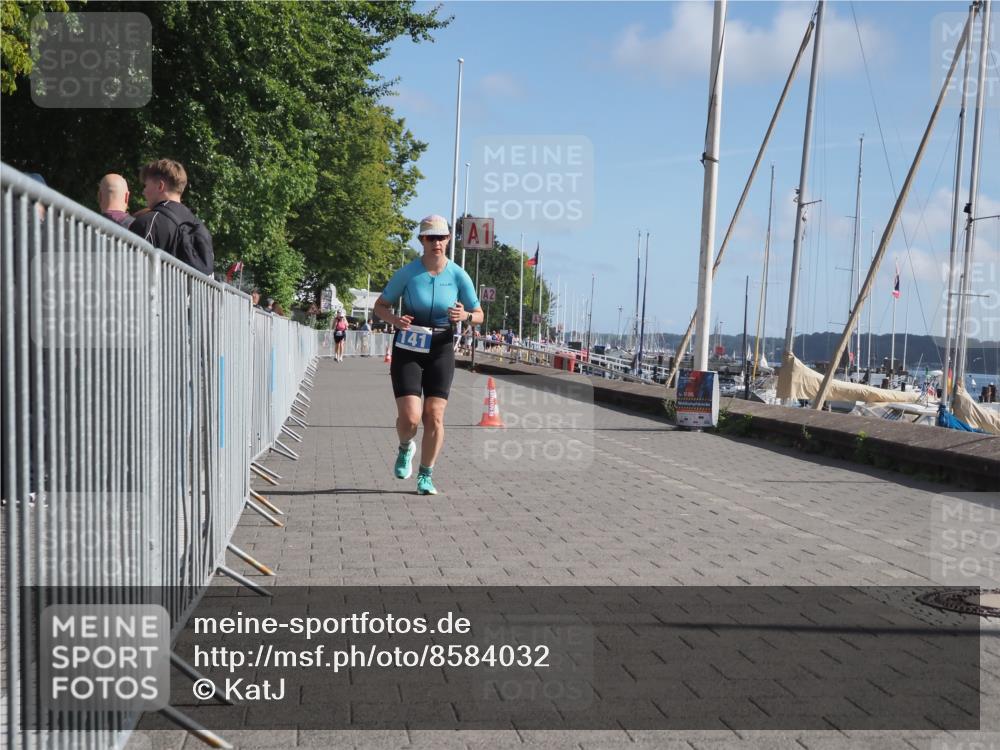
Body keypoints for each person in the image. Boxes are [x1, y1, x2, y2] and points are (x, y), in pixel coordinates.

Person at [372, 215, 483, 496]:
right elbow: (380, 306)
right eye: (430, 237)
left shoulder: (458, 275)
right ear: (421, 240)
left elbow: (479, 315)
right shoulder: (407, 273)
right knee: (410, 418)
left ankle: (425, 475)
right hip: (409, 346)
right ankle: (406, 446)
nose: (436, 242)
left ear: (448, 240)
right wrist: (395, 321)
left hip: (441, 347)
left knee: (434, 415)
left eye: (441, 237)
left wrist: (466, 315)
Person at [129, 159, 214, 276]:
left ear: (160, 186)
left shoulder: (148, 223)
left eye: (146, 185)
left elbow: (130, 274)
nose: (144, 192)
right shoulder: (200, 227)